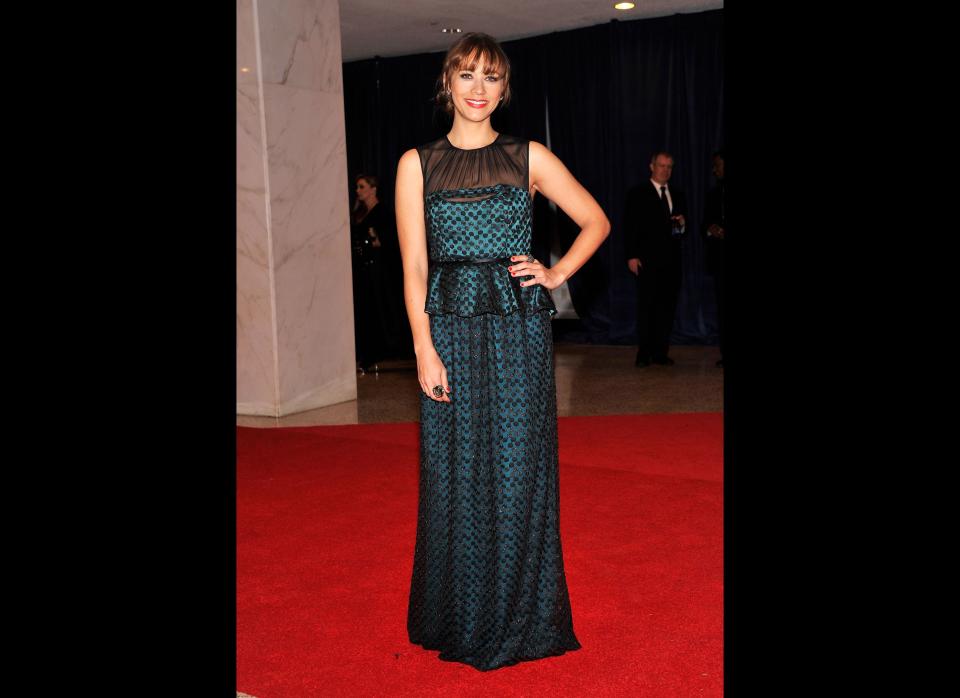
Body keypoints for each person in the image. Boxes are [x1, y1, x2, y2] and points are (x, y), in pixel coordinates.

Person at [395, 32, 609, 671]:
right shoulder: (418, 163)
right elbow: (412, 266)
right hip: (450, 328)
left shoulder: (528, 156)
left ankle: (520, 616)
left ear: (504, 88)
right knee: (455, 472)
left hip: (518, 329)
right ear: (448, 84)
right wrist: (423, 350)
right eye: (467, 76)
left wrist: (554, 272)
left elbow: (595, 221)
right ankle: (456, 614)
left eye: (491, 77)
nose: (479, 89)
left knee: (519, 470)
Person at [624, 152, 687, 367]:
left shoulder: (677, 194)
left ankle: (661, 352)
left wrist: (681, 224)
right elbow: (630, 226)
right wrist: (631, 255)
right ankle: (644, 352)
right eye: (661, 165)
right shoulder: (638, 193)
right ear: (652, 166)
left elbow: (681, 230)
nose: (665, 170)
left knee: (667, 308)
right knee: (647, 307)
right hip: (647, 260)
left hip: (672, 262)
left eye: (669, 166)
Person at [350, 174, 401, 372]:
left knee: (380, 309)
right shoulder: (359, 214)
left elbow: (390, 242)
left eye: (361, 186)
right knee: (366, 311)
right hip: (364, 269)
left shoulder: (383, 213)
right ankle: (368, 352)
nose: (358, 190)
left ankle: (382, 350)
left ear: (373, 189)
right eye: (357, 187)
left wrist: (374, 241)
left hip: (380, 270)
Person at [703, 150, 725, 368]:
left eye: (717, 165)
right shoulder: (713, 194)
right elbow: (704, 225)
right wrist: (711, 229)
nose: (714, 169)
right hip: (720, 261)